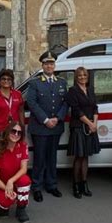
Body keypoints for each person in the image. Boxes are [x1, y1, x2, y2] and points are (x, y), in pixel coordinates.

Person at [27, 51, 68, 202]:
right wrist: (45, 120)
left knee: (52, 157)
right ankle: (37, 187)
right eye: (46, 63)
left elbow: (65, 103)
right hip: (40, 127)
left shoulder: (61, 82)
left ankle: (51, 185)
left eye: (51, 63)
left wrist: (57, 118)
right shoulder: (35, 83)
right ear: (42, 65)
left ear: (54, 65)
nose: (49, 66)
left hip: (56, 126)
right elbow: (31, 103)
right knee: (39, 158)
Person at [65, 67, 100, 198]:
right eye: (79, 75)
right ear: (76, 77)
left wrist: (95, 124)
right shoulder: (72, 91)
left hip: (90, 127)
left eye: (84, 75)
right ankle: (76, 185)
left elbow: (95, 107)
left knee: (86, 157)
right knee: (79, 157)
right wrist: (90, 123)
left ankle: (84, 184)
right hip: (79, 126)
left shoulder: (90, 90)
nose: (82, 77)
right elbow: (76, 110)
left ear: (88, 76)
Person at [0, 123, 31, 223]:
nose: (16, 134)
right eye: (13, 131)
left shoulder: (23, 146)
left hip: (14, 181)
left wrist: (11, 181)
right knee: (5, 202)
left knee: (25, 180)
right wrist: (7, 188)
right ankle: (4, 207)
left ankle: (21, 208)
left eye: (19, 133)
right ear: (7, 132)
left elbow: (24, 169)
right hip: (1, 184)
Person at [0, 68, 24, 144]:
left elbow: (21, 111)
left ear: (12, 81)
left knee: (12, 154)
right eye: (3, 79)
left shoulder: (18, 94)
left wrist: (22, 130)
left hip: (14, 132)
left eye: (9, 79)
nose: (6, 81)